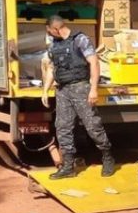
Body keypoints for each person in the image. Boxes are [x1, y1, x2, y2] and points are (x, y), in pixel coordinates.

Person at [40, 15, 115, 178]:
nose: (49, 35)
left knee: (93, 126)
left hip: (81, 88)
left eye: (50, 32)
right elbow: (53, 68)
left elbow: (94, 63)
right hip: (62, 91)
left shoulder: (80, 40)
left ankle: (108, 157)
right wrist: (45, 90)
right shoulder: (54, 45)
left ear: (56, 29)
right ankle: (68, 167)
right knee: (63, 128)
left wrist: (93, 89)